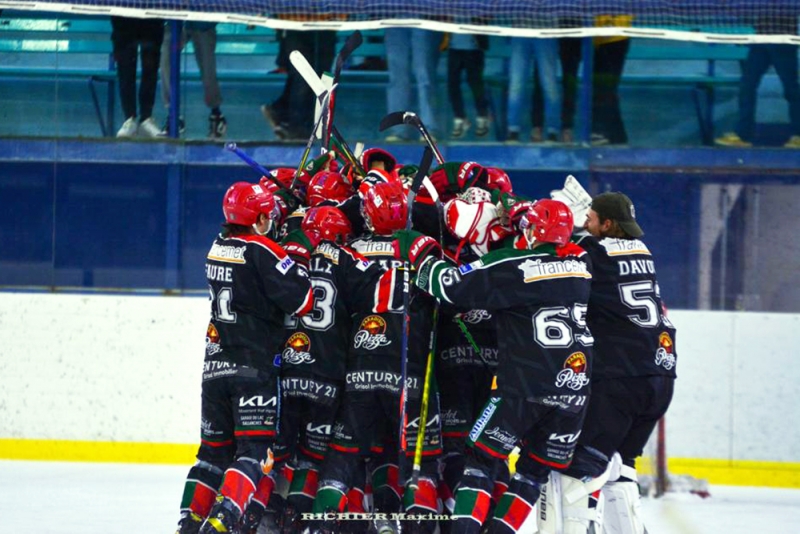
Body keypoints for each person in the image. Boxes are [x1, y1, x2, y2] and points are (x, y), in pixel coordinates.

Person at [395, 199, 594, 533]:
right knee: (532, 473)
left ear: (534, 231)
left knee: (480, 461)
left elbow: (450, 286)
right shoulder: (581, 267)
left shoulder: (513, 265)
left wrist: (419, 254)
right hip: (574, 392)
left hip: (522, 389)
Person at [174, 181, 315, 534]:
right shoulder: (262, 249)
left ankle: (188, 522)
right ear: (259, 218)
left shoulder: (216, 246)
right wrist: (297, 246)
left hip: (215, 368)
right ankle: (223, 520)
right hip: (253, 369)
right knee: (255, 453)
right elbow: (303, 299)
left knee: (211, 456)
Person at [547, 192, 677, 533]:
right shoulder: (643, 251)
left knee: (579, 471)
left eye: (591, 219)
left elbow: (555, 258)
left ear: (606, 224)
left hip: (621, 377)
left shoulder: (593, 253)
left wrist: (565, 226)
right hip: (661, 375)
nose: (586, 223)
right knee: (620, 469)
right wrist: (585, 227)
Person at [715, 18, 800, 148]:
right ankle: (742, 134)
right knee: (747, 85)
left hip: (783, 40)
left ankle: (798, 135)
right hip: (760, 40)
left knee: (791, 88)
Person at [261, 30, 336, 141]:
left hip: (325, 30)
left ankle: (281, 110)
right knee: (303, 77)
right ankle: (297, 128)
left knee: (319, 76)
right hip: (296, 28)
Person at [159, 21, 227, 139]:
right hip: (175, 21)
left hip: (203, 22)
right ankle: (173, 115)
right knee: (166, 59)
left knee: (207, 67)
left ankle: (216, 114)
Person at [383, 28, 442, 142]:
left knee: (425, 75)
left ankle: (429, 129)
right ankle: (399, 130)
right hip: (394, 22)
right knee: (397, 76)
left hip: (423, 21)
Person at [110, 16, 164, 138]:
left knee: (151, 66)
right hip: (123, 17)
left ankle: (146, 118)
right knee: (125, 67)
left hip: (152, 17)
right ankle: (129, 119)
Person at [505, 37, 562, 143]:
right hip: (520, 34)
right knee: (516, 84)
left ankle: (552, 131)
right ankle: (513, 130)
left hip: (546, 34)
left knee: (549, 85)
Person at [444, 30, 491, 139]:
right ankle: (460, 118)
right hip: (453, 49)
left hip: (474, 49)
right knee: (452, 84)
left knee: (476, 84)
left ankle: (482, 116)